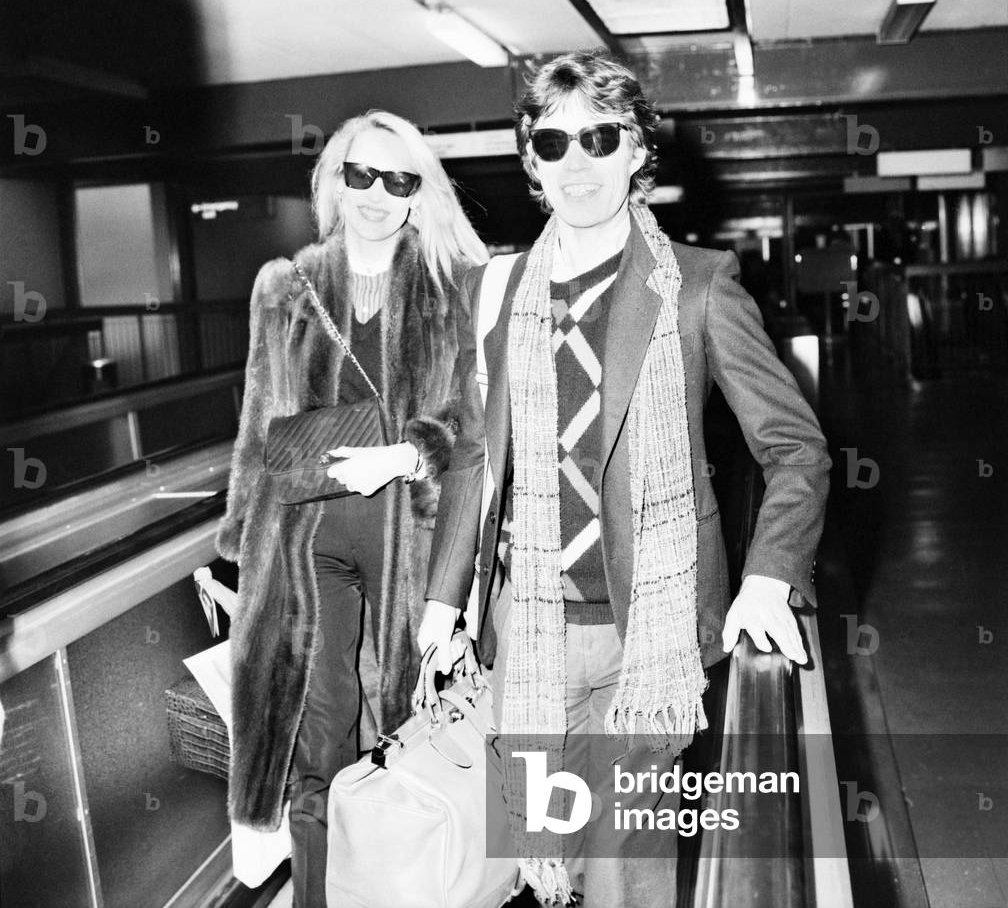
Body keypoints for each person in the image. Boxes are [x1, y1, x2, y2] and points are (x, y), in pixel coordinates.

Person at [419, 51, 831, 906]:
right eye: (553, 141)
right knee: (544, 871)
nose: (577, 163)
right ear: (530, 158)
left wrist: (768, 576)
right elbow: (470, 452)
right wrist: (441, 600)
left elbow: (796, 447)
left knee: (627, 878)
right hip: (523, 632)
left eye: (599, 138)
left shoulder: (698, 288)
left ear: (637, 150)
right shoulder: (495, 291)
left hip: (652, 636)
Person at [216, 109, 487, 907]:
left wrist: (406, 453)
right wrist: (239, 545)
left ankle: (403, 884)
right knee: (317, 730)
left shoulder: (452, 287)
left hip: (413, 526)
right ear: (333, 181)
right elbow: (259, 415)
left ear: (417, 195)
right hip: (305, 536)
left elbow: (471, 423)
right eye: (359, 174)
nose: (375, 193)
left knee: (410, 727)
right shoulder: (286, 287)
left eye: (397, 179)